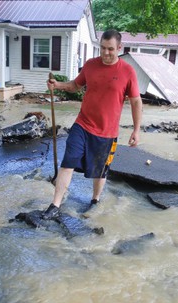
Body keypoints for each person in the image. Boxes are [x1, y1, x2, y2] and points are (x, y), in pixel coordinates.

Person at [42, 29, 143, 220]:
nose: (105, 53)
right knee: (68, 161)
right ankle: (55, 204)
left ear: (119, 48)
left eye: (110, 49)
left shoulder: (128, 71)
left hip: (107, 132)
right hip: (83, 124)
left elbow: (136, 102)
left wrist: (136, 130)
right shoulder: (90, 65)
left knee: (100, 171)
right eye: (103, 48)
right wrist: (58, 85)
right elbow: (75, 86)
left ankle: (95, 200)